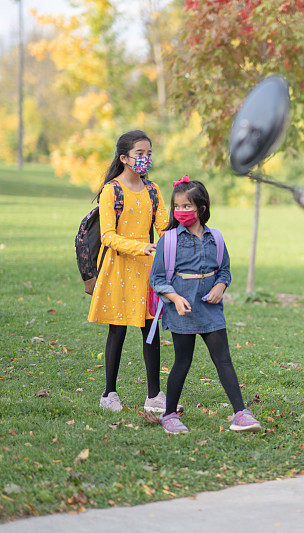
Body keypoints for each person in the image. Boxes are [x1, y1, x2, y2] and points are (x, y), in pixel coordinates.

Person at [150, 176, 260, 434]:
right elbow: (157, 279)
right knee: (182, 361)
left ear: (201, 208)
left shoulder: (216, 238)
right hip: (182, 307)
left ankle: (240, 413)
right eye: (177, 206)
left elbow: (224, 271)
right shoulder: (170, 239)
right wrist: (175, 299)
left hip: (210, 308)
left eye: (187, 206)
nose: (181, 211)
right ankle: (169, 415)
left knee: (223, 359)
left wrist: (220, 287)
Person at [87, 130, 173, 414]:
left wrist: (176, 237)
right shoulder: (112, 190)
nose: (145, 159)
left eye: (148, 154)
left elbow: (163, 226)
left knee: (151, 329)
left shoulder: (153, 190)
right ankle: (109, 393)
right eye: (139, 154)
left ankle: (154, 395)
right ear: (124, 158)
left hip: (148, 270)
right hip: (119, 268)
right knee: (118, 329)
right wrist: (141, 247)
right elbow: (108, 236)